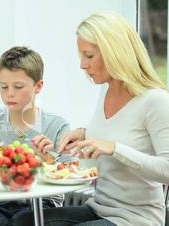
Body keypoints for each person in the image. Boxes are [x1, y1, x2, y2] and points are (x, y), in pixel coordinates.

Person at [23, 11, 169, 226]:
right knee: (23, 221)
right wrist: (55, 153)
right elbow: (96, 155)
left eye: (89, 55)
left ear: (114, 52)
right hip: (99, 208)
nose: (82, 65)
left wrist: (115, 148)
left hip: (136, 219)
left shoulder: (155, 100)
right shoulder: (105, 91)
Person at [0, 46, 70, 226]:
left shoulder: (57, 125)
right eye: (3, 86)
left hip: (43, 203)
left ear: (38, 86)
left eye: (18, 87)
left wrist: (50, 160)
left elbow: (71, 174)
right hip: (1, 200)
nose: (9, 94)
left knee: (21, 222)